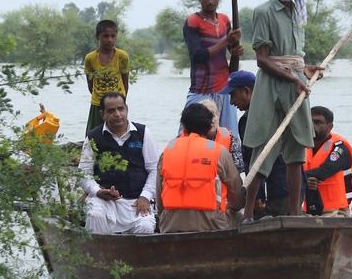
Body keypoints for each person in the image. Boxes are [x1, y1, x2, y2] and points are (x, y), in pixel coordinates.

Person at [242, 0, 324, 221]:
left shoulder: (299, 13)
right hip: (271, 86)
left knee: (297, 150)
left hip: (297, 83)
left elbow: (293, 56)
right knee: (263, 149)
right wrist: (293, 77)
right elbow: (263, 59)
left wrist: (306, 69)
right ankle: (247, 215)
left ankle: (294, 214)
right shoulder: (264, 12)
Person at [156, 103, 245, 233]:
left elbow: (159, 199)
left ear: (184, 127)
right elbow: (237, 197)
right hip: (212, 225)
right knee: (241, 217)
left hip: (170, 225)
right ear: (209, 127)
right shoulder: (219, 152)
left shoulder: (167, 152)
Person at [78, 93, 157, 234]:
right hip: (104, 201)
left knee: (146, 227)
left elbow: (154, 169)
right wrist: (97, 191)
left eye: (121, 109)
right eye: (111, 111)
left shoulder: (142, 133)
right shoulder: (93, 137)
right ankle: (97, 254)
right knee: (95, 215)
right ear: (102, 114)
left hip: (136, 201)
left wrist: (145, 196)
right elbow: (83, 174)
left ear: (127, 109)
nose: (117, 114)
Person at [183, 0, 244, 143]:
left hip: (224, 88)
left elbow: (231, 49)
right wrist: (226, 41)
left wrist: (236, 49)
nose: (210, 1)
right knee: (190, 135)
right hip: (201, 89)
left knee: (229, 138)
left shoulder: (224, 20)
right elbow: (198, 56)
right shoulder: (192, 22)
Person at [227, 70, 289, 218]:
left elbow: (253, 161)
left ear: (247, 91)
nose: (231, 102)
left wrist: (255, 197)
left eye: (233, 95)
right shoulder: (278, 109)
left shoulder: (249, 120)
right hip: (290, 187)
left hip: (274, 189)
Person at [303, 106, 352, 217]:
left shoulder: (340, 147)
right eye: (310, 121)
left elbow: (323, 172)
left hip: (336, 210)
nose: (312, 125)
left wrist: (300, 179)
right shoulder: (302, 146)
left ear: (330, 126)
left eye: (318, 122)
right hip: (310, 209)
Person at [84, 20, 130, 134]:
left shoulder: (122, 56)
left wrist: (121, 102)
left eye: (113, 36)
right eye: (105, 36)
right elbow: (90, 84)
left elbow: (125, 82)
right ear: (98, 37)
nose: (109, 40)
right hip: (97, 104)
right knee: (94, 134)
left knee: (118, 133)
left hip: (116, 102)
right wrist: (100, 99)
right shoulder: (90, 58)